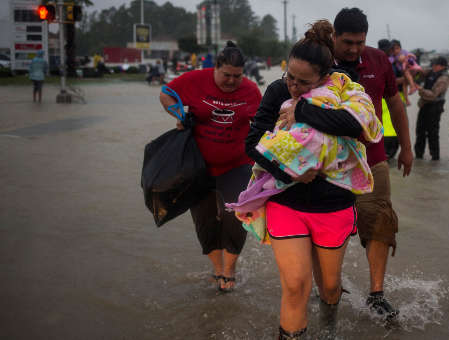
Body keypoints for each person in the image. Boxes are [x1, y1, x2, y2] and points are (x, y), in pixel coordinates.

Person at [245, 20, 379, 339]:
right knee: (294, 286)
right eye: (290, 76)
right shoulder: (277, 90)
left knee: (330, 287)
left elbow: (353, 124)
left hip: (333, 203)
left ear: (325, 76)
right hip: (286, 201)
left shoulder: (346, 89)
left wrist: (303, 111)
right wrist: (289, 171)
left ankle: (329, 325)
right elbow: (252, 143)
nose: (293, 86)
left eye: (303, 82)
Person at [159, 41, 261, 292]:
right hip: (199, 165)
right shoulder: (195, 80)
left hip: (238, 164)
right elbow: (165, 93)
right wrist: (180, 117)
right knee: (204, 220)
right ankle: (217, 268)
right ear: (215, 68)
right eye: (226, 75)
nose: (231, 81)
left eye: (237, 76)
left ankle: (230, 269)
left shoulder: (251, 91)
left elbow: (263, 123)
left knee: (237, 216)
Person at [331, 7, 413, 320]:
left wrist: (406, 147)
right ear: (335, 37)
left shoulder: (378, 60)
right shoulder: (319, 59)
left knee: (380, 221)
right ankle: (329, 288)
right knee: (329, 227)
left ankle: (377, 294)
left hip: (372, 159)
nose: (354, 49)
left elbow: (395, 103)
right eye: (347, 42)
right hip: (327, 164)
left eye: (359, 42)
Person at [413, 56, 449, 160]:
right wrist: (416, 71)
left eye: (435, 64)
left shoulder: (444, 77)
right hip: (425, 105)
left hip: (435, 107)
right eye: (433, 64)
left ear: (442, 66)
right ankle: (418, 156)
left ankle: (435, 158)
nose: (433, 66)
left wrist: (421, 90)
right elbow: (419, 74)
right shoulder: (431, 72)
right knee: (420, 131)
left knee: (432, 133)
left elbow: (434, 94)